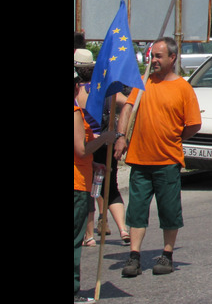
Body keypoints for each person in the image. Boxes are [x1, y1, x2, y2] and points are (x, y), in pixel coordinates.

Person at [113, 37, 202, 277]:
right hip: (140, 160)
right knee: (137, 211)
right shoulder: (142, 83)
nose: (153, 61)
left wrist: (175, 137)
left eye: (158, 56)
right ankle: (134, 256)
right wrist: (121, 136)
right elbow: (128, 108)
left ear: (172, 58)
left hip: (168, 161)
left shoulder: (183, 88)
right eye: (152, 56)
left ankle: (167, 254)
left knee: (169, 211)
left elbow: (193, 124)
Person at [74, 49, 131, 247]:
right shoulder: (108, 88)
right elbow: (129, 104)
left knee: (91, 189)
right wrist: (118, 131)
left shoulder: (79, 92)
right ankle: (123, 228)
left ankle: (89, 234)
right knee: (110, 186)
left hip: (91, 144)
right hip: (108, 142)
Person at [74, 69, 117, 302]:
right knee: (74, 240)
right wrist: (104, 138)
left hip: (82, 175)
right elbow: (80, 150)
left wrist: (95, 163)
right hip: (76, 185)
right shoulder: (74, 114)